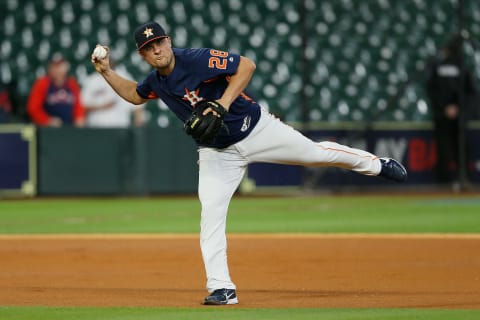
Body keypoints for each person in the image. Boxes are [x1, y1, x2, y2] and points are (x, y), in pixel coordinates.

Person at [91, 22, 407, 305]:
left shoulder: (197, 59)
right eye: (148, 47)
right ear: (142, 55)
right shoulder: (156, 82)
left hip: (255, 129)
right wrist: (105, 71)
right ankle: (222, 288)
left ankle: (377, 165)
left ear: (169, 41)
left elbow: (246, 65)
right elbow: (135, 94)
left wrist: (222, 102)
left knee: (316, 155)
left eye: (159, 42)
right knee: (210, 215)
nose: (156, 49)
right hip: (217, 152)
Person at [426, 35, 476, 185]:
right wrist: (454, 107)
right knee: (454, 149)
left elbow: (432, 90)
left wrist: (450, 108)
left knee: (449, 149)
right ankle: (456, 180)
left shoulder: (441, 66)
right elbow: (470, 92)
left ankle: (452, 181)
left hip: (448, 114)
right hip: (450, 115)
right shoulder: (460, 66)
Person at [27, 53, 85, 127]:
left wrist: (79, 118)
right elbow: (33, 108)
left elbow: (78, 106)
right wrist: (47, 120)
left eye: (60, 66)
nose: (57, 70)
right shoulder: (42, 83)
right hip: (47, 129)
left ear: (66, 67)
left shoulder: (72, 84)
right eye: (54, 66)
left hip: (70, 127)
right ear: (49, 68)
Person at [82, 61, 144, 128]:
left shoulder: (125, 78)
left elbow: (138, 105)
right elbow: (83, 106)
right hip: (97, 128)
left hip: (120, 128)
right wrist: (102, 106)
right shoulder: (92, 80)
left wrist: (138, 122)